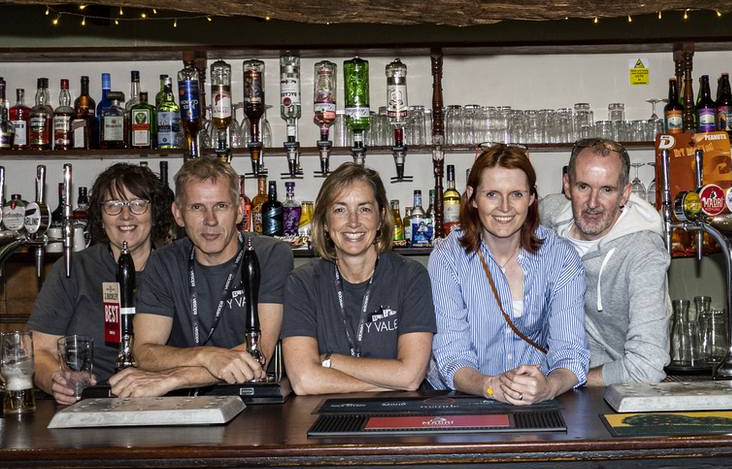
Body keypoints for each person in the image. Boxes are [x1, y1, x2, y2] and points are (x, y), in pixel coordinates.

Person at [112, 157, 293, 397]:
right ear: (178, 214)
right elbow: (144, 352)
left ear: (239, 210)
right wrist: (207, 356)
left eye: (221, 206)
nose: (210, 220)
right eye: (197, 207)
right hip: (183, 407)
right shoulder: (164, 261)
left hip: (252, 401)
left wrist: (174, 378)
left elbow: (259, 353)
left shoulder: (269, 254)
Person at [427, 144, 589, 405]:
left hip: (537, 402)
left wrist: (549, 386)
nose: (504, 207)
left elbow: (570, 352)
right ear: (472, 197)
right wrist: (490, 386)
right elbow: (452, 356)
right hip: (465, 401)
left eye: (516, 194)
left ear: (532, 197)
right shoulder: (447, 258)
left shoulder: (561, 257)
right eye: (492, 194)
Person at [281, 163, 436, 394]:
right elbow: (304, 381)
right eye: (340, 210)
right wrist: (392, 381)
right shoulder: (302, 282)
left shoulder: (411, 276)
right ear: (324, 222)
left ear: (381, 217)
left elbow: (411, 377)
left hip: (398, 418)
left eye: (364, 209)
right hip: (322, 417)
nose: (353, 222)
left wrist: (330, 360)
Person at [28, 163, 174, 405]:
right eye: (113, 205)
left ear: (155, 211)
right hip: (87, 404)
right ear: (100, 214)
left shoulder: (174, 268)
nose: (125, 216)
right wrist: (58, 379)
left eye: (137, 204)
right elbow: (40, 350)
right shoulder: (73, 269)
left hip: (164, 403)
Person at [540, 138, 670, 386]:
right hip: (545, 380)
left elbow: (646, 368)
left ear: (625, 194)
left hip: (610, 389)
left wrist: (561, 381)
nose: (592, 203)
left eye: (607, 190)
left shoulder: (643, 253)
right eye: (583, 187)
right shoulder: (548, 215)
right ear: (567, 185)